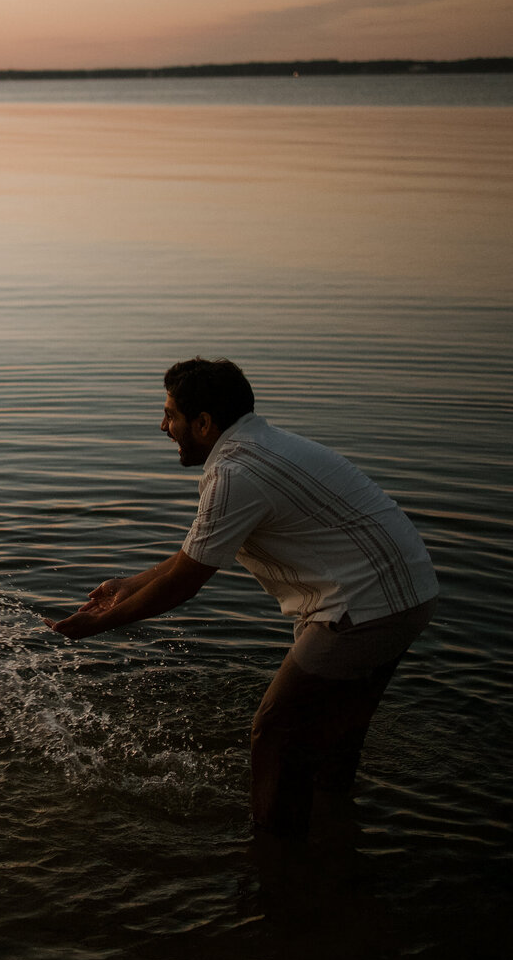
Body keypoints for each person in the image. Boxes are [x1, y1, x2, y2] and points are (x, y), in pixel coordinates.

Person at [45, 359, 438, 838]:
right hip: (409, 593)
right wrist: (130, 585)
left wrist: (98, 625)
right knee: (337, 733)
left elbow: (187, 581)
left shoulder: (235, 473)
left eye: (170, 414)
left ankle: (275, 858)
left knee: (275, 730)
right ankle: (332, 832)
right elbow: (195, 553)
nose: (162, 425)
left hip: (364, 607)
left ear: (205, 423)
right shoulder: (260, 447)